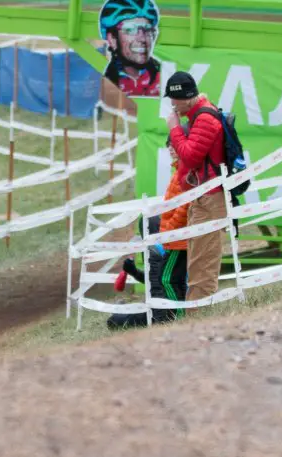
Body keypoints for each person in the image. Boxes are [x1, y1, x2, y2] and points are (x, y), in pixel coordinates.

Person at [110, 130, 190, 328]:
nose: (170, 148)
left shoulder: (165, 250)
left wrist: (168, 229)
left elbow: (166, 282)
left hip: (160, 314)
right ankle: (125, 310)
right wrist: (134, 271)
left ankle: (177, 317)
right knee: (117, 318)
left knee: (115, 320)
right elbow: (153, 282)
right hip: (154, 309)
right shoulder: (154, 252)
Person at [165, 70, 226, 306]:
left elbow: (190, 157)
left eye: (173, 98)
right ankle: (197, 313)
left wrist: (174, 128)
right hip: (202, 195)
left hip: (210, 197)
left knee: (203, 264)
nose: (171, 104)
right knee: (197, 262)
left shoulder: (205, 119)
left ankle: (201, 317)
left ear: (186, 97)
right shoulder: (198, 116)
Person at [98, 0, 161, 97]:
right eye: (130, 30)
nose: (142, 38)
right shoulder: (101, 83)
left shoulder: (165, 76)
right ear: (112, 39)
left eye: (147, 29)